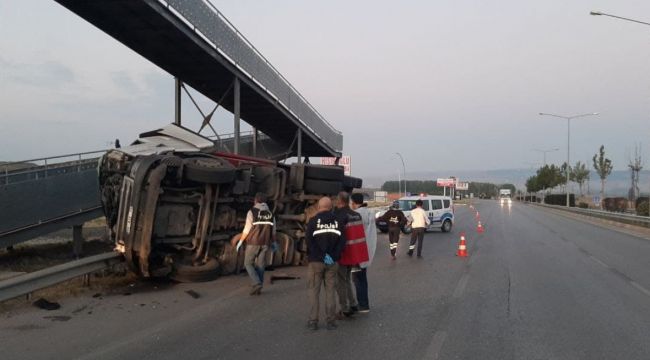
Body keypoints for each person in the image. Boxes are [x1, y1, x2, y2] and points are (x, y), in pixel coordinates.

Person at [305, 196, 346, 330]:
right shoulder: (338, 221)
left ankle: (313, 321)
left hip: (316, 262)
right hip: (332, 262)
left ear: (319, 207)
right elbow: (342, 242)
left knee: (314, 292)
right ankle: (331, 321)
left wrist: (322, 255)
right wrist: (332, 256)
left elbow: (309, 243)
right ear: (330, 207)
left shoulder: (312, 222)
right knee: (330, 292)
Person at [334, 191, 369, 317]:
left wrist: (332, 254)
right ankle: (353, 303)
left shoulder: (338, 215)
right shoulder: (356, 215)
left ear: (339, 201)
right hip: (355, 254)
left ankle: (344, 308)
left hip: (343, 253)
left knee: (341, 281)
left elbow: (337, 237)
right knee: (347, 279)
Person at [234, 192, 276, 296]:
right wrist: (274, 242)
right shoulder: (271, 214)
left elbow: (247, 229)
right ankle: (259, 287)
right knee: (261, 265)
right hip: (265, 243)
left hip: (253, 242)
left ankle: (256, 283)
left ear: (255, 200)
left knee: (248, 263)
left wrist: (240, 241)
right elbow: (273, 231)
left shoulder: (252, 212)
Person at [350, 193, 376, 313]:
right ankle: (364, 304)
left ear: (354, 202)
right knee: (362, 278)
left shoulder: (357, 215)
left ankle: (362, 305)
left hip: (358, 251)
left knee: (357, 279)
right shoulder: (370, 212)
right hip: (368, 249)